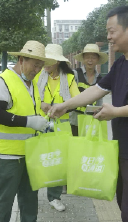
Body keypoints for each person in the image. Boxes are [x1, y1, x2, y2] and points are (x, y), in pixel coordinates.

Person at [48, 6, 128, 222]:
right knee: (125, 205)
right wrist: (65, 105)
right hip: (124, 147)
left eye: (112, 31)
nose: (109, 37)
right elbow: (98, 89)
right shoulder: (121, 63)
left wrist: (115, 112)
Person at [0, 40, 55, 222]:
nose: (37, 70)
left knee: (30, 201)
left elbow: (26, 107)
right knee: (3, 203)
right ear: (21, 60)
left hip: (29, 154)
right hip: (7, 157)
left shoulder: (31, 83)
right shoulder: (4, 81)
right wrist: (29, 122)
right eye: (34, 65)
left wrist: (43, 117)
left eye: (40, 66)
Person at [33, 44, 80, 212]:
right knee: (39, 159)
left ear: (59, 62)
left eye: (51, 60)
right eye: (45, 60)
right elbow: (29, 96)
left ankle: (54, 197)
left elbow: (77, 100)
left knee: (58, 162)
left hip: (62, 126)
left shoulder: (69, 77)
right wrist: (41, 103)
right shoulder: (37, 75)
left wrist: (63, 108)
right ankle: (33, 194)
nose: (47, 64)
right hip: (40, 124)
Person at [71, 44, 109, 135]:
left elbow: (99, 101)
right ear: (83, 59)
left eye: (93, 58)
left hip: (90, 121)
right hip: (75, 121)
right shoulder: (75, 74)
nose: (90, 60)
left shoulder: (100, 79)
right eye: (87, 57)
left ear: (97, 60)